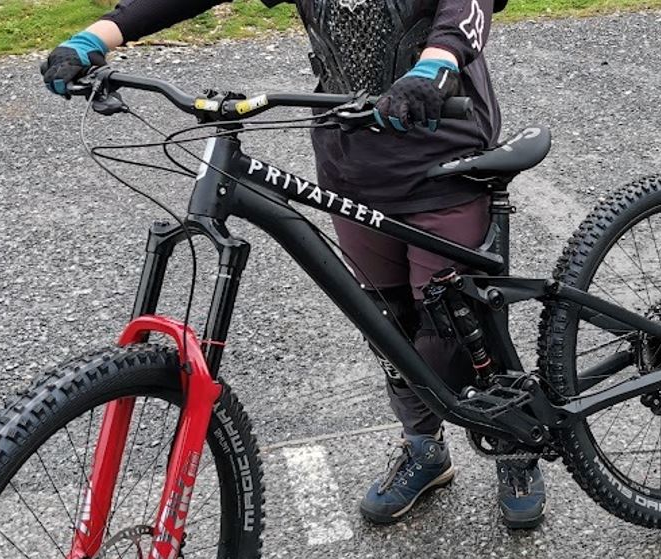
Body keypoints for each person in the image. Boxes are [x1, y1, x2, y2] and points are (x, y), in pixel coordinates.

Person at [40, 0, 547, 530]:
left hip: (447, 160)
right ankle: (424, 448)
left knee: (455, 326)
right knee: (387, 325)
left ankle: (514, 443)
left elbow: (466, 9)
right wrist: (97, 36)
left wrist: (437, 62)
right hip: (352, 166)